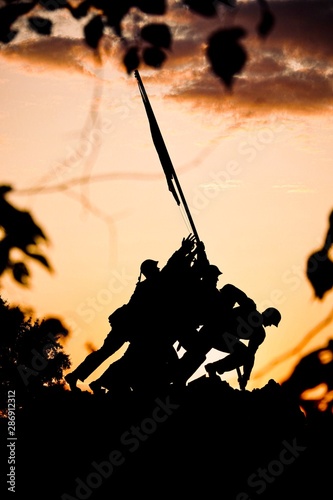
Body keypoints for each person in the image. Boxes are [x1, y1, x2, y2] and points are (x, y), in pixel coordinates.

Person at [65, 234, 199, 393]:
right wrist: (184, 251)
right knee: (112, 354)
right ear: (150, 271)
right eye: (155, 267)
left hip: (130, 327)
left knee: (113, 354)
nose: (158, 268)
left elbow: (170, 269)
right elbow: (170, 268)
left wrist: (189, 254)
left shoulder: (149, 284)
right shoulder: (150, 285)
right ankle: (84, 378)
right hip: (128, 327)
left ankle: (85, 378)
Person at [204, 306, 281, 390]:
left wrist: (245, 376)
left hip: (213, 330)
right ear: (269, 317)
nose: (270, 325)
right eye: (271, 322)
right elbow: (250, 355)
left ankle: (214, 367)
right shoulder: (259, 333)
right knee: (244, 354)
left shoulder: (249, 310)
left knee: (242, 352)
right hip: (217, 334)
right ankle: (214, 368)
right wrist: (245, 377)